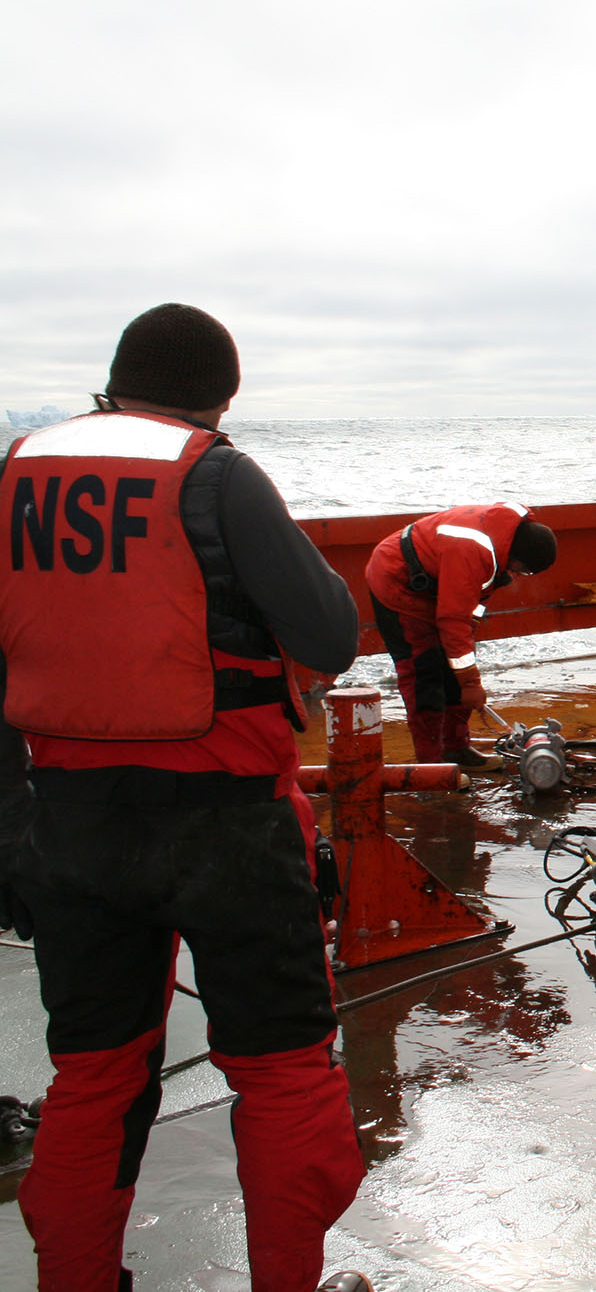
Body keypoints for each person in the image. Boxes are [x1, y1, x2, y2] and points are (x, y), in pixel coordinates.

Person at [0, 304, 368, 1288]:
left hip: (70, 824)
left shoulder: (17, 471)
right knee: (286, 1076)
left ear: (115, 381)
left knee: (94, 1077)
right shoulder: (216, 473)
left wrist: (12, 837)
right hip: (228, 822)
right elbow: (329, 635)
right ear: (221, 398)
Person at [363, 503, 557, 768]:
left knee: (456, 665)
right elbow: (453, 620)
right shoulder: (472, 551)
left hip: (436, 588)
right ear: (516, 557)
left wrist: (466, 660)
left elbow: (469, 608)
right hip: (398, 585)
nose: (518, 576)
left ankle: (456, 750)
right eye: (523, 571)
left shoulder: (502, 544)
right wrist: (470, 684)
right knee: (424, 673)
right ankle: (431, 765)